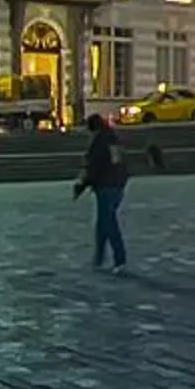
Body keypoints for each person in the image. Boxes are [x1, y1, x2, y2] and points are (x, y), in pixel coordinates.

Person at [73, 114, 129, 273]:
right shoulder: (114, 139)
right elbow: (120, 162)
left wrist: (82, 185)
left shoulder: (98, 142)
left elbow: (94, 166)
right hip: (118, 183)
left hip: (105, 185)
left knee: (108, 223)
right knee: (103, 223)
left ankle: (120, 260)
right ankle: (98, 258)